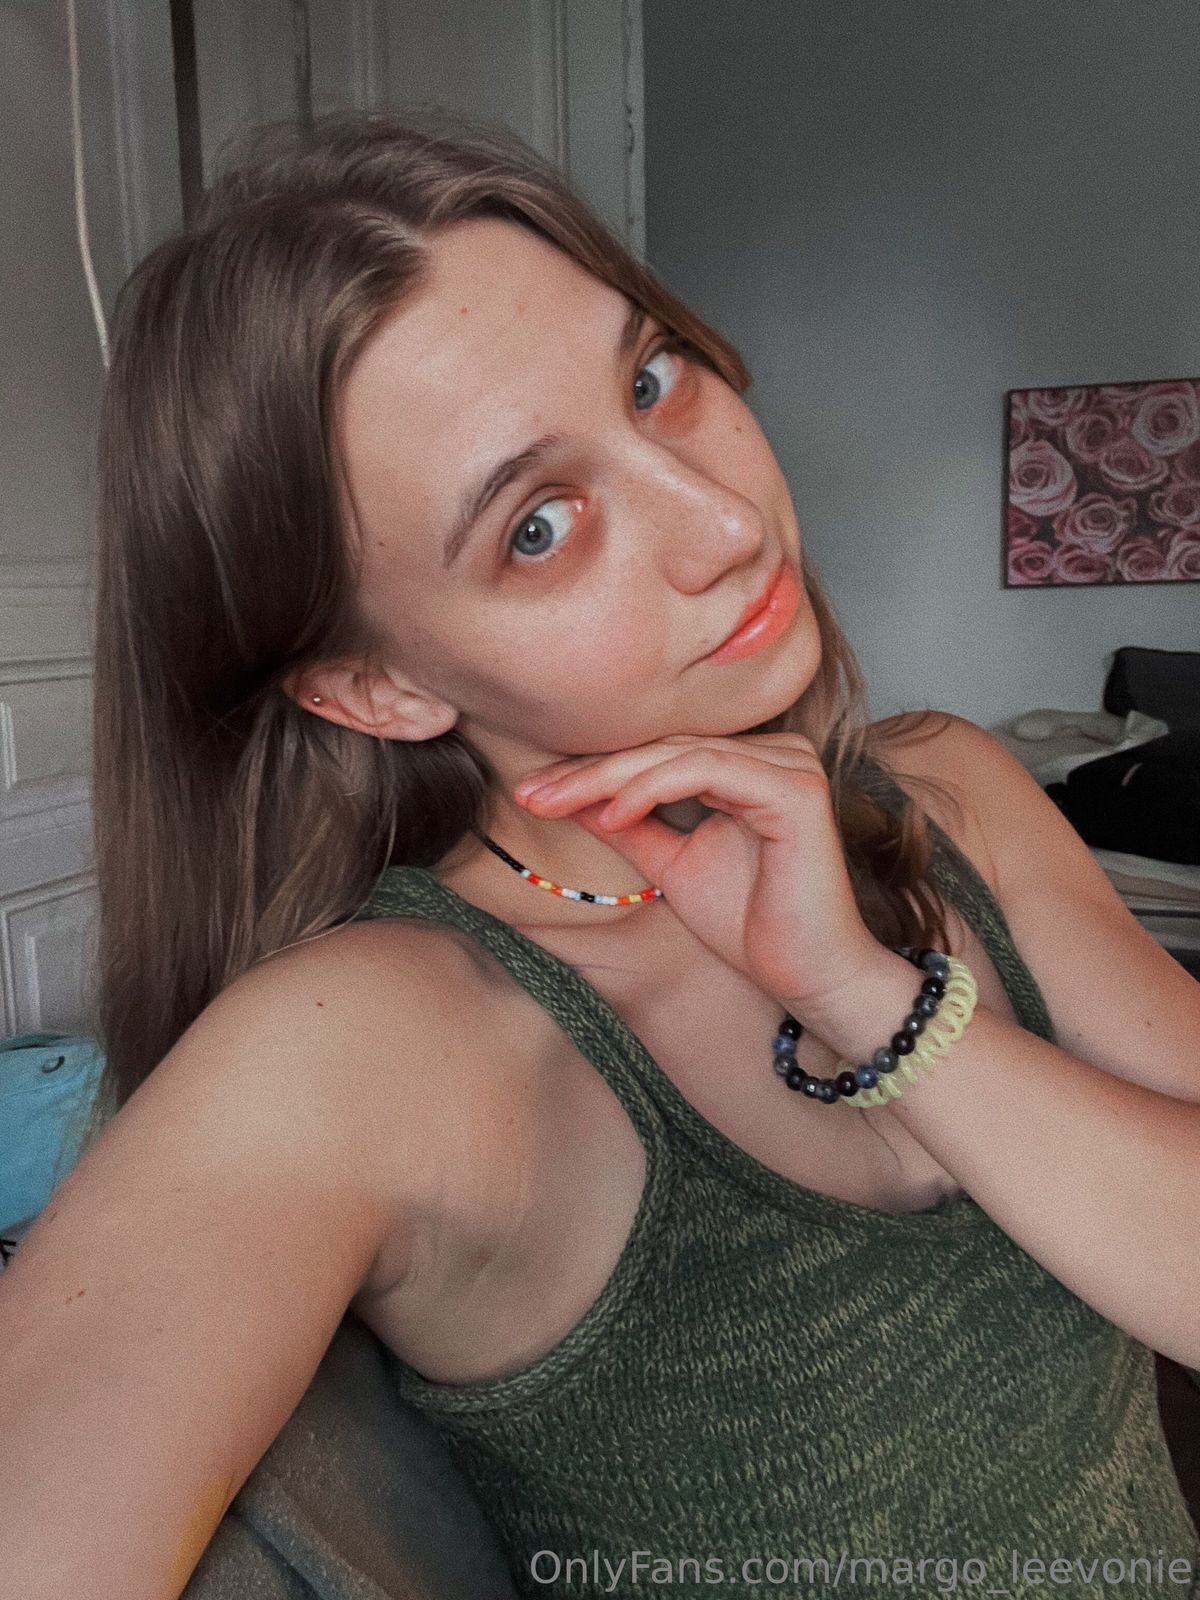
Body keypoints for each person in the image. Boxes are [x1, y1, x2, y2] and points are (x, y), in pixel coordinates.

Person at [2, 106, 1198, 1600]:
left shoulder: (952, 793)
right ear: (377, 688)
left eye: (651, 378)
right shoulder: (374, 1042)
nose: (725, 522)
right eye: (539, 525)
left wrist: (874, 1004)